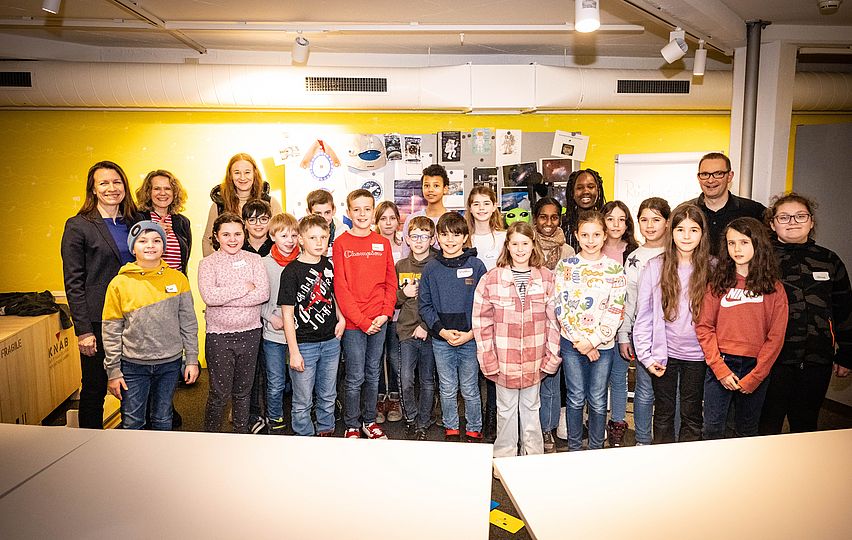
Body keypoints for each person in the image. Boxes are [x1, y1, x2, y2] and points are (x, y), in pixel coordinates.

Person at [759, 193, 852, 434]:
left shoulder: (829, 260)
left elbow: (844, 308)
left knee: (806, 424)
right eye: (784, 217)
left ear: (811, 222)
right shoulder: (760, 259)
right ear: (772, 223)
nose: (793, 222)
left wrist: (847, 354)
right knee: (767, 425)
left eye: (800, 216)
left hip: (816, 359)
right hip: (772, 360)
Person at [61, 160, 141, 429]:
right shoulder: (78, 225)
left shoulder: (136, 221)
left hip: (136, 316)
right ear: (93, 189)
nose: (111, 188)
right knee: (95, 386)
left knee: (135, 381)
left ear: (124, 186)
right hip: (99, 318)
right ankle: (88, 444)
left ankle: (135, 438)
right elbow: (74, 282)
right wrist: (83, 331)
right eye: (104, 183)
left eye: (117, 182)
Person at [473, 222, 561, 458]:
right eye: (515, 244)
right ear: (507, 246)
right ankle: (505, 458)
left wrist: (552, 356)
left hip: (535, 359)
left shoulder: (546, 278)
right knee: (506, 410)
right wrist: (487, 358)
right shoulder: (491, 279)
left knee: (532, 409)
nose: (520, 249)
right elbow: (481, 323)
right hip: (504, 360)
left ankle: (533, 458)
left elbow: (555, 321)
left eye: (525, 243)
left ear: (533, 245)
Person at [696, 217, 788, 439]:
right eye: (731, 243)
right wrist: (719, 369)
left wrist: (756, 375)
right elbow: (704, 327)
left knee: (746, 430)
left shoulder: (774, 289)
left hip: (755, 367)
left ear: (757, 243)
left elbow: (776, 337)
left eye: (744, 242)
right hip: (722, 365)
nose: (736, 249)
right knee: (712, 428)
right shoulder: (717, 283)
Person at [102, 221, 199, 430]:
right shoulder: (119, 283)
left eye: (156, 240)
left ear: (164, 246)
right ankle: (133, 463)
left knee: (163, 418)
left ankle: (160, 461)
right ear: (133, 247)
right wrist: (113, 371)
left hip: (170, 364)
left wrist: (191, 359)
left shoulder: (178, 279)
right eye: (143, 241)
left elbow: (189, 323)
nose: (150, 245)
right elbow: (111, 330)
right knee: (133, 421)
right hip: (132, 365)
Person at [633, 203, 711, 443]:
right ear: (671, 232)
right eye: (680, 229)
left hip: (699, 355)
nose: (686, 236)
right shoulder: (655, 266)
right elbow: (644, 314)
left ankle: (688, 467)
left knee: (692, 414)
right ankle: (663, 465)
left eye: (694, 230)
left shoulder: (713, 267)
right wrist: (646, 356)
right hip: (664, 354)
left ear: (702, 234)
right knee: (664, 412)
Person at [553, 210, 626, 451]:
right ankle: (574, 448)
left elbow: (616, 309)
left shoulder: (614, 270)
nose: (590, 240)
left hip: (603, 346)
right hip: (572, 344)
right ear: (576, 235)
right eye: (585, 234)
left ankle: (596, 449)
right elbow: (560, 305)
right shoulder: (566, 266)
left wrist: (594, 341)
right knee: (575, 397)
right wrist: (580, 342)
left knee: (596, 399)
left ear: (605, 236)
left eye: (596, 234)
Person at [333, 189, 397, 439]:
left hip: (379, 321)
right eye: (356, 209)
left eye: (367, 209)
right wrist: (360, 321)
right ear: (348, 213)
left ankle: (369, 421)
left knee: (373, 374)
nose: (362, 214)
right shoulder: (341, 243)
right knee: (355, 376)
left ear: (374, 212)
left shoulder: (382, 243)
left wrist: (384, 314)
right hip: (353, 325)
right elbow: (341, 287)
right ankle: (351, 423)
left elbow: (391, 282)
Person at [197, 213, 270, 433]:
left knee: (243, 391)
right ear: (216, 236)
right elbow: (210, 297)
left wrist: (226, 297)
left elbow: (263, 294)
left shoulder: (254, 260)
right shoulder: (207, 263)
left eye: (237, 234)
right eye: (226, 234)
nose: (232, 239)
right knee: (219, 393)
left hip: (250, 333)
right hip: (219, 336)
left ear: (244, 234)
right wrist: (243, 288)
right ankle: (210, 438)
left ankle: (241, 433)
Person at [419, 212, 487, 442]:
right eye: (445, 235)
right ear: (437, 237)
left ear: (466, 237)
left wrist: (471, 334)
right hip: (441, 340)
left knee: (469, 387)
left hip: (470, 339)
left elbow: (485, 306)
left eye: (456, 235)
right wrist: (441, 331)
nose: (450, 240)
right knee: (447, 388)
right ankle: (450, 427)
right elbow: (425, 305)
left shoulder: (477, 266)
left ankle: (474, 428)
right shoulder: (431, 268)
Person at [279, 215, 346, 436]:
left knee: (328, 394)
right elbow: (287, 314)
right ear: (300, 239)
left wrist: (341, 317)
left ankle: (326, 431)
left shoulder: (328, 265)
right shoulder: (291, 272)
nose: (319, 242)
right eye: (313, 237)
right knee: (302, 399)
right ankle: (304, 436)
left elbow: (332, 294)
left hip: (330, 342)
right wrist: (294, 351)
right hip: (304, 344)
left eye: (323, 237)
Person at [617, 197, 671, 446]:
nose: (649, 225)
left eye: (656, 219)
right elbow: (629, 300)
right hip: (644, 335)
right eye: (644, 220)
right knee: (644, 391)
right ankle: (642, 440)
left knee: (673, 393)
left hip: (675, 336)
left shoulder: (677, 252)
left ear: (668, 222)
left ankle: (672, 441)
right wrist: (624, 334)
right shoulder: (634, 258)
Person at [532, 196, 575, 452]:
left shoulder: (568, 251)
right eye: (543, 217)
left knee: (550, 379)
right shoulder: (527, 244)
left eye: (554, 217)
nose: (549, 222)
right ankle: (529, 428)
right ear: (535, 219)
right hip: (530, 322)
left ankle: (547, 429)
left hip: (556, 324)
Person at [465, 185, 506, 442]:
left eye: (486, 203)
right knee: (473, 369)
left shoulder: (503, 237)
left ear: (494, 207)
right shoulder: (464, 236)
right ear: (470, 208)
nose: (481, 208)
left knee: (494, 367)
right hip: (468, 309)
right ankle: (474, 418)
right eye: (476, 203)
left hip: (499, 311)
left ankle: (494, 417)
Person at [395, 216, 438, 440]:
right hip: (406, 332)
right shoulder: (401, 266)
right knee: (406, 378)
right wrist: (404, 294)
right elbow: (392, 300)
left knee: (428, 379)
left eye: (424, 236)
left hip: (429, 332)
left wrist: (425, 325)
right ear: (407, 240)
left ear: (432, 240)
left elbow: (441, 302)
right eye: (414, 236)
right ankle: (411, 418)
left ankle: (424, 420)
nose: (419, 241)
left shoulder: (437, 264)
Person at [600, 200, 639, 446]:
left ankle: (617, 423)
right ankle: (594, 419)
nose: (615, 224)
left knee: (619, 377)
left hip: (624, 326)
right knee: (598, 378)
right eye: (610, 218)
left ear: (627, 223)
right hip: (596, 327)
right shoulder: (593, 247)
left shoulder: (633, 253)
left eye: (621, 219)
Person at [260, 212, 300, 434]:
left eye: (294, 235)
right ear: (272, 235)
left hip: (299, 333)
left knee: (298, 380)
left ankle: (299, 414)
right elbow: (255, 296)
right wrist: (270, 316)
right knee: (275, 381)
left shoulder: (303, 259)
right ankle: (274, 417)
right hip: (274, 333)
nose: (290, 240)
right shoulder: (263, 264)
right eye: (284, 235)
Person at [202, 153, 282, 256]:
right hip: (230, 267)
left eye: (247, 172)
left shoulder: (270, 203)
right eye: (237, 173)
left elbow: (281, 235)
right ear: (230, 175)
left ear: (254, 173)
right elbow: (207, 240)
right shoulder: (219, 205)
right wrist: (211, 267)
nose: (242, 177)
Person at [693, 152, 766, 256]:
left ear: (729, 176)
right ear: (699, 178)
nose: (710, 180)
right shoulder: (687, 211)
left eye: (718, 174)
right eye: (705, 174)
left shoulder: (754, 211)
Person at [374, 200, 404, 423]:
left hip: (398, 315)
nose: (388, 223)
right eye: (383, 218)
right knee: (375, 358)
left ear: (398, 220)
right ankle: (377, 397)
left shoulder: (405, 245)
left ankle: (394, 396)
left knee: (395, 358)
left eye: (392, 218)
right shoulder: (371, 245)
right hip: (375, 313)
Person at [135, 169, 192, 274]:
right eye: (157, 189)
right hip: (147, 283)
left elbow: (185, 260)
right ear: (148, 192)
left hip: (176, 284)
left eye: (167, 189)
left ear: (174, 193)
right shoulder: (137, 218)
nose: (162, 193)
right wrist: (154, 230)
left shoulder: (183, 222)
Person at [400, 164, 450, 257]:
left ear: (445, 189)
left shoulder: (453, 220)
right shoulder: (412, 219)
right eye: (426, 185)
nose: (430, 189)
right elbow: (405, 256)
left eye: (436, 185)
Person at [561, 169, 606, 253]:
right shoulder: (562, 224)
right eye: (580, 188)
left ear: (598, 190)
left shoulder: (607, 222)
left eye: (591, 187)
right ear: (572, 192)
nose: (586, 191)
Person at [306, 189, 349, 255]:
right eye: (318, 213)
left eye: (327, 212)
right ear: (309, 212)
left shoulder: (343, 231)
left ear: (334, 210)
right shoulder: (303, 233)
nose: (323, 218)